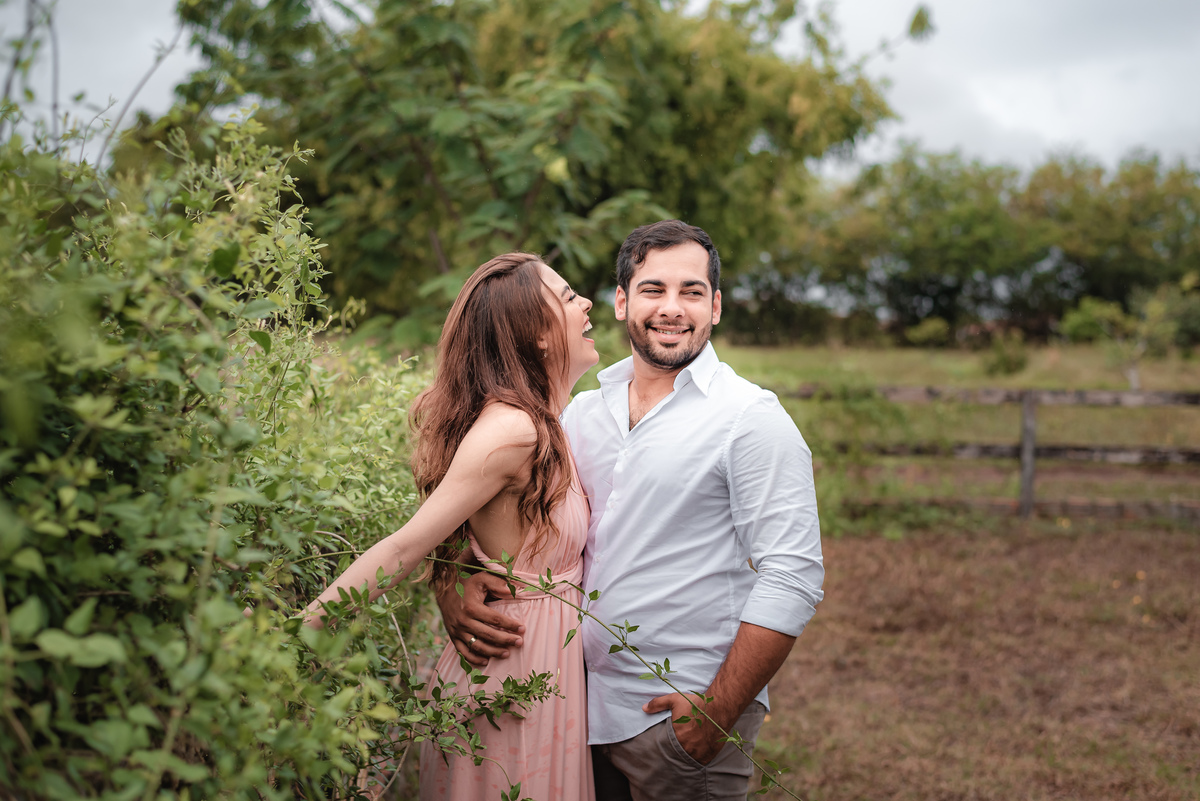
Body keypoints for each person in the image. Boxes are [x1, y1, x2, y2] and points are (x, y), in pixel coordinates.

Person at [440, 220, 825, 801]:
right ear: (622, 301)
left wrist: (718, 710)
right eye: (653, 290)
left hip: (676, 719)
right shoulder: (580, 415)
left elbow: (793, 576)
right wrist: (454, 580)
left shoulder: (750, 419)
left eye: (691, 292)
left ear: (715, 307)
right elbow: (507, 518)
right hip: (573, 710)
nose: (672, 308)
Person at [302, 253, 600, 801]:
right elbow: (407, 545)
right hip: (510, 676)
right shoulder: (514, 430)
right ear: (536, 333)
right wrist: (302, 629)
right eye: (567, 296)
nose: (585, 303)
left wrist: (454, 574)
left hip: (547, 670)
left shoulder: (550, 422)